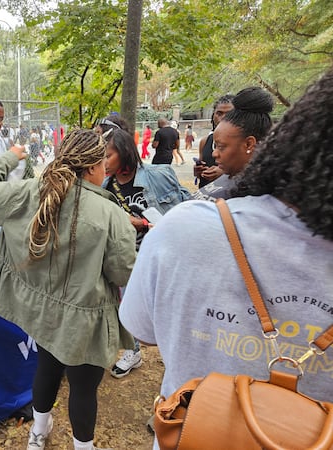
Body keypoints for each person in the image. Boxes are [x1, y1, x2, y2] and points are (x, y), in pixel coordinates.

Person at [119, 68, 333, 450]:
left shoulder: (183, 229)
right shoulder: (195, 214)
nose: (214, 152)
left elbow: (143, 330)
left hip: (192, 435)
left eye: (222, 145)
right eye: (213, 144)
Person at [0, 129, 137, 450]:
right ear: (91, 168)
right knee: (83, 387)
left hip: (41, 312)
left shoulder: (29, 192)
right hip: (84, 321)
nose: (106, 170)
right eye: (103, 163)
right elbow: (122, 272)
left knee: (46, 368)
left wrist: (11, 155)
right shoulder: (112, 215)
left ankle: (38, 433)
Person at [103, 128, 190, 379]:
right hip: (130, 255)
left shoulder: (159, 174)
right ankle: (133, 350)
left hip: (165, 253)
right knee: (130, 305)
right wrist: (127, 221)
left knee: (168, 306)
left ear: (125, 152)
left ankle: (178, 358)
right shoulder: (106, 187)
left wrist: (167, 224)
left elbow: (185, 203)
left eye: (108, 155)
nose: (104, 162)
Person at [192, 87, 273, 201]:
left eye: (221, 147)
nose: (214, 154)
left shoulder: (253, 195)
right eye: (215, 146)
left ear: (249, 144)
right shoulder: (206, 142)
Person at [194, 94, 235, 187]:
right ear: (213, 116)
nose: (223, 118)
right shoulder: (205, 141)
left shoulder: (244, 143)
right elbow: (201, 174)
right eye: (219, 113)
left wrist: (224, 174)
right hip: (207, 197)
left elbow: (252, 174)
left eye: (229, 114)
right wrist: (198, 171)